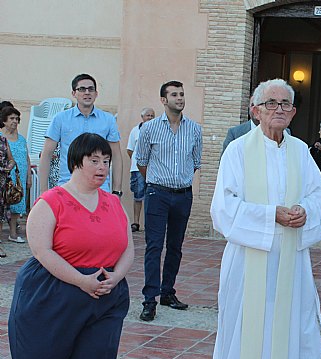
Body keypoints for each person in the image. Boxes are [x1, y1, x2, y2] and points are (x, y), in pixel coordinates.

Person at [208, 78, 321, 359]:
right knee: (246, 334)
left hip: (291, 264)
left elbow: (318, 196)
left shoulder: (301, 152)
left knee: (294, 335)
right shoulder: (238, 151)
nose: (278, 109)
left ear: (293, 112)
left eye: (285, 104)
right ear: (256, 109)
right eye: (270, 103)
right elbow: (223, 208)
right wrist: (270, 215)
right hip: (248, 264)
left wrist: (305, 212)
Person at [8, 133, 133, 359]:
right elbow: (41, 251)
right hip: (51, 296)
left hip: (104, 298)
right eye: (94, 161)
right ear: (76, 162)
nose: (102, 167)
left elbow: (128, 247)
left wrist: (116, 277)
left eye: (106, 161)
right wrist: (81, 280)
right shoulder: (51, 201)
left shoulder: (114, 203)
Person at [136, 80, 202, 322]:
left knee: (175, 246)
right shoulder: (150, 128)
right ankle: (149, 300)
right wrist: (157, 183)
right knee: (154, 246)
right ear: (163, 100)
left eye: (182, 94)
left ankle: (168, 292)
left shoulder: (195, 129)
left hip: (183, 195)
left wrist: (179, 182)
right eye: (174, 94)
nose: (180, 98)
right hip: (157, 194)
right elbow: (141, 161)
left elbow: (195, 163)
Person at [40, 73, 123, 196]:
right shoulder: (60, 119)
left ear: (96, 94)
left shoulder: (108, 119)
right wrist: (43, 191)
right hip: (68, 184)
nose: (87, 92)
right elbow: (46, 154)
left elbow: (116, 156)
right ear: (74, 93)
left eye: (91, 89)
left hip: (100, 186)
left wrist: (117, 191)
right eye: (82, 89)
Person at [0, 107, 32, 244]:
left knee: (17, 205)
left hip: (19, 176)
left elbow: (27, 157)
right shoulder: (1, 137)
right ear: (4, 120)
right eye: (12, 118)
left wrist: (29, 176)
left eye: (17, 119)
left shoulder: (22, 139)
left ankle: (13, 234)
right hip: (4, 176)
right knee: (2, 206)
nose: (15, 121)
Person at [126, 107, 155, 232]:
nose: (150, 118)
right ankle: (136, 222)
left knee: (153, 196)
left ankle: (150, 224)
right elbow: (130, 150)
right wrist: (138, 162)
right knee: (138, 195)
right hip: (137, 168)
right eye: (147, 115)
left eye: (152, 116)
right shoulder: (135, 131)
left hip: (153, 168)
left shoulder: (157, 130)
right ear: (142, 117)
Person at [0, 133, 16, 258]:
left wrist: (9, 165)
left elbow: (11, 159)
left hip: (2, 183)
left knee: (0, 215)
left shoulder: (3, 140)